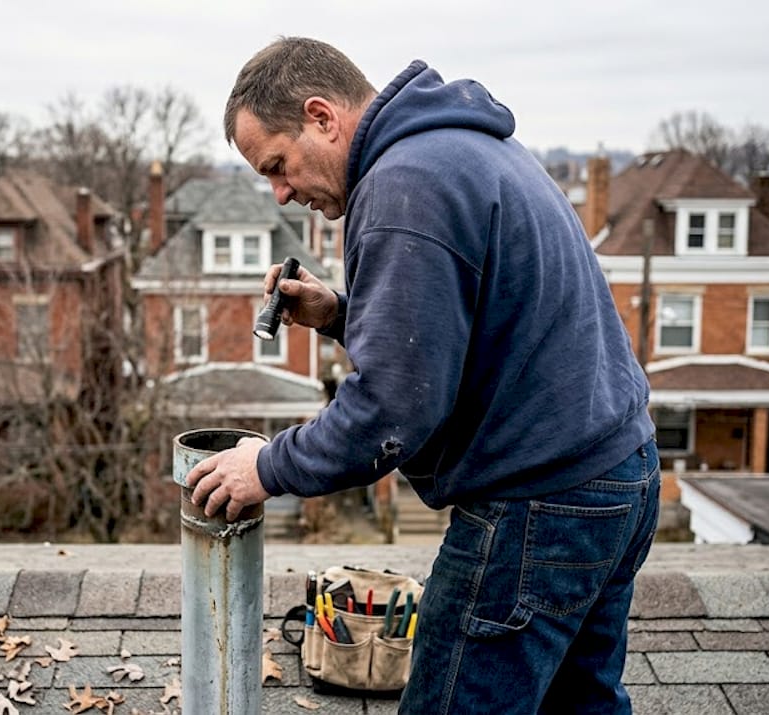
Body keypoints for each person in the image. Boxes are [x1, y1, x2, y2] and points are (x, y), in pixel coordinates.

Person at [186, 36, 659, 714]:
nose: (281, 193)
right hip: (621, 476)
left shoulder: (402, 186)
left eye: (278, 165)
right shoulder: (460, 147)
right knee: (579, 703)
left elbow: (391, 409)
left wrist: (266, 466)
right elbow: (458, 338)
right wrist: (339, 315)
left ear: (322, 116)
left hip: (541, 507)